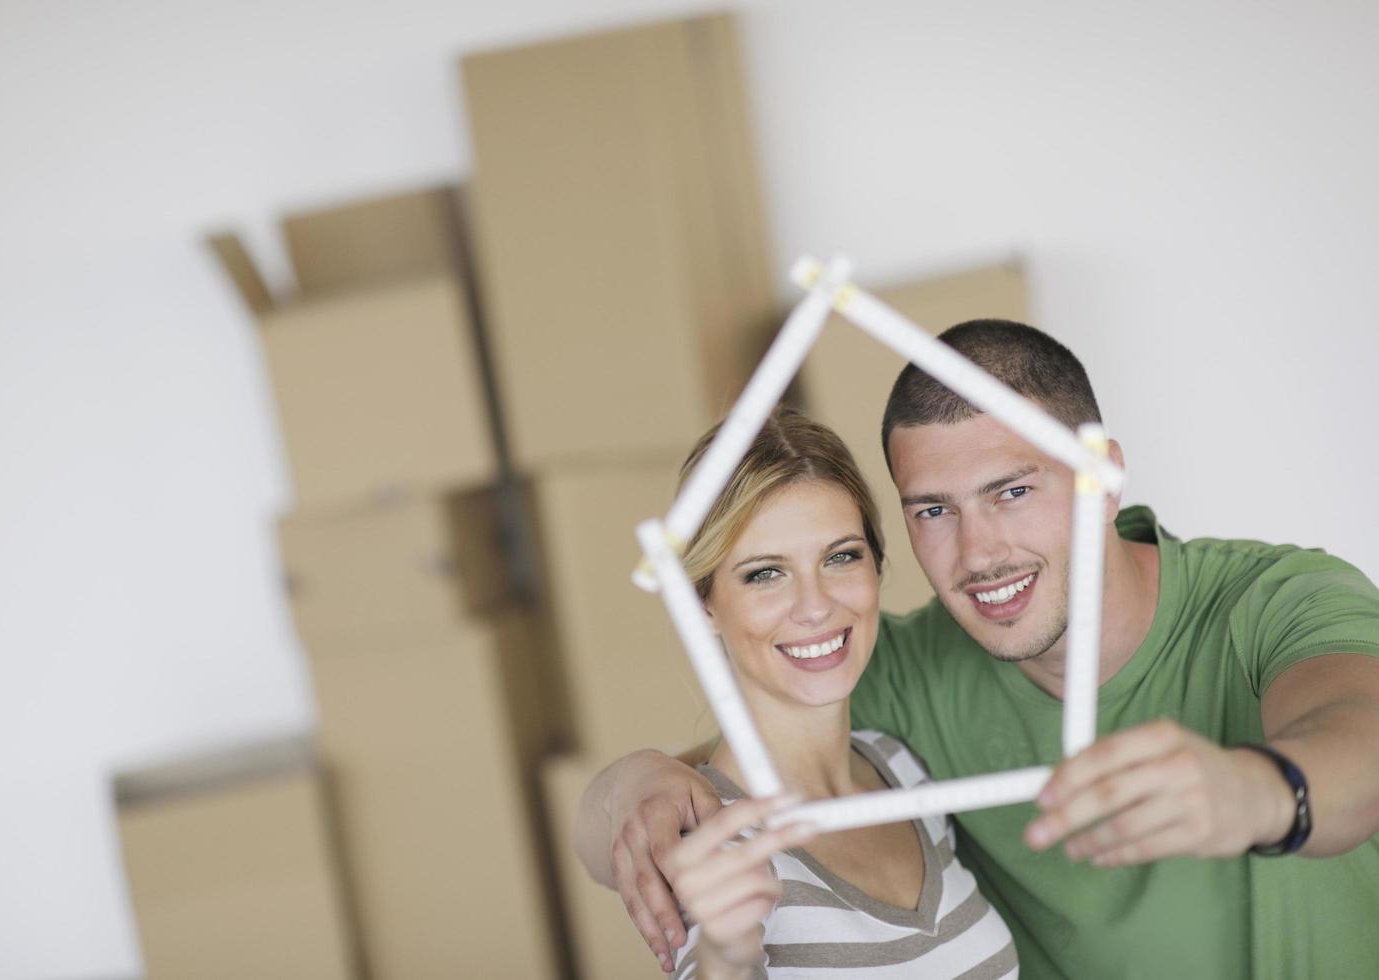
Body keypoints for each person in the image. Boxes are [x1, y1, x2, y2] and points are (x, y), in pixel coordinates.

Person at [577, 320, 1379, 979]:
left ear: (1101, 476)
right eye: (933, 510)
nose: (979, 552)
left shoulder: (1276, 599)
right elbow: (732, 766)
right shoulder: (901, 674)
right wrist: (631, 787)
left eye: (1013, 491)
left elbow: (1361, 728)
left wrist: (1256, 792)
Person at [656, 406, 1017, 977]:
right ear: (702, 603)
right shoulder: (708, 839)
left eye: (841, 557)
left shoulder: (903, 770)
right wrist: (727, 954)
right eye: (764, 573)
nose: (817, 605)